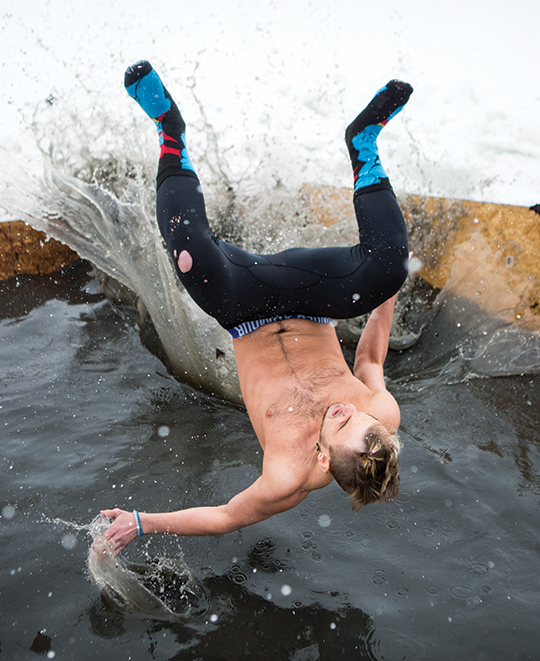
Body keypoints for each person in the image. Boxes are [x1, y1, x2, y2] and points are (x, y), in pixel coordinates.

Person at [101, 61, 412, 552]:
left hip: (243, 309)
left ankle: (170, 132)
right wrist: (388, 292)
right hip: (312, 299)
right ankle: (363, 145)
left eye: (342, 423)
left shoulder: (286, 476)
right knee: (389, 266)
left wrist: (141, 523)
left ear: (326, 461)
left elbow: (226, 516)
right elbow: (369, 360)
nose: (345, 409)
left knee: (188, 256)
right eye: (359, 415)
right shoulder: (381, 413)